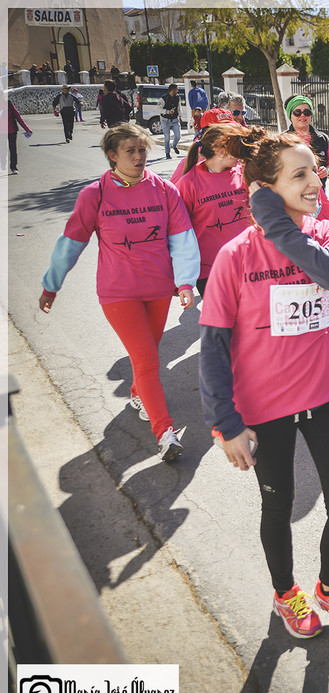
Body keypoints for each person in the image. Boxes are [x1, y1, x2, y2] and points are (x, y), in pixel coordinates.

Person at [198, 126, 329, 642]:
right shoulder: (234, 257)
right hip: (265, 406)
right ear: (267, 189)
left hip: (327, 394)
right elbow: (213, 349)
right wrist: (225, 423)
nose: (316, 180)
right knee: (280, 504)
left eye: (315, 170)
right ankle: (285, 592)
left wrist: (277, 223)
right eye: (300, 175)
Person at [39, 123, 199, 461]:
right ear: (113, 156)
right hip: (118, 292)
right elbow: (71, 242)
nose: (139, 156)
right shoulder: (94, 195)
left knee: (148, 354)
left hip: (157, 289)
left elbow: (182, 238)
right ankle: (164, 432)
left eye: (142, 150)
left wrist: (185, 282)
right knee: (146, 358)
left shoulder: (164, 190)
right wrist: (51, 285)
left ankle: (139, 395)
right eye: (131, 151)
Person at [175, 124, 250, 297]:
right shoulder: (188, 183)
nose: (242, 151)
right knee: (225, 322)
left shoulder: (244, 173)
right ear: (221, 150)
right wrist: (182, 279)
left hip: (247, 264)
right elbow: (178, 232)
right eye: (237, 145)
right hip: (209, 270)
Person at [284, 94, 329, 190]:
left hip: (318, 196)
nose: (302, 115)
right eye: (297, 112)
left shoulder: (322, 139)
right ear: (290, 116)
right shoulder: (283, 140)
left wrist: (327, 171)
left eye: (307, 112)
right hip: (292, 197)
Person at [7, 98, 32, 174]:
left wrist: (27, 129)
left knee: (13, 149)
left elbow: (18, 117)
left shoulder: (9, 104)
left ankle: (13, 167)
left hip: (12, 130)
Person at [160, 83, 182, 159]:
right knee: (167, 137)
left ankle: (174, 145)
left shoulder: (178, 97)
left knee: (178, 136)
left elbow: (179, 107)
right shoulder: (164, 98)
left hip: (175, 119)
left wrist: (180, 116)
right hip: (165, 120)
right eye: (177, 89)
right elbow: (158, 109)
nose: (178, 90)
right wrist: (167, 111)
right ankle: (167, 153)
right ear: (173, 90)